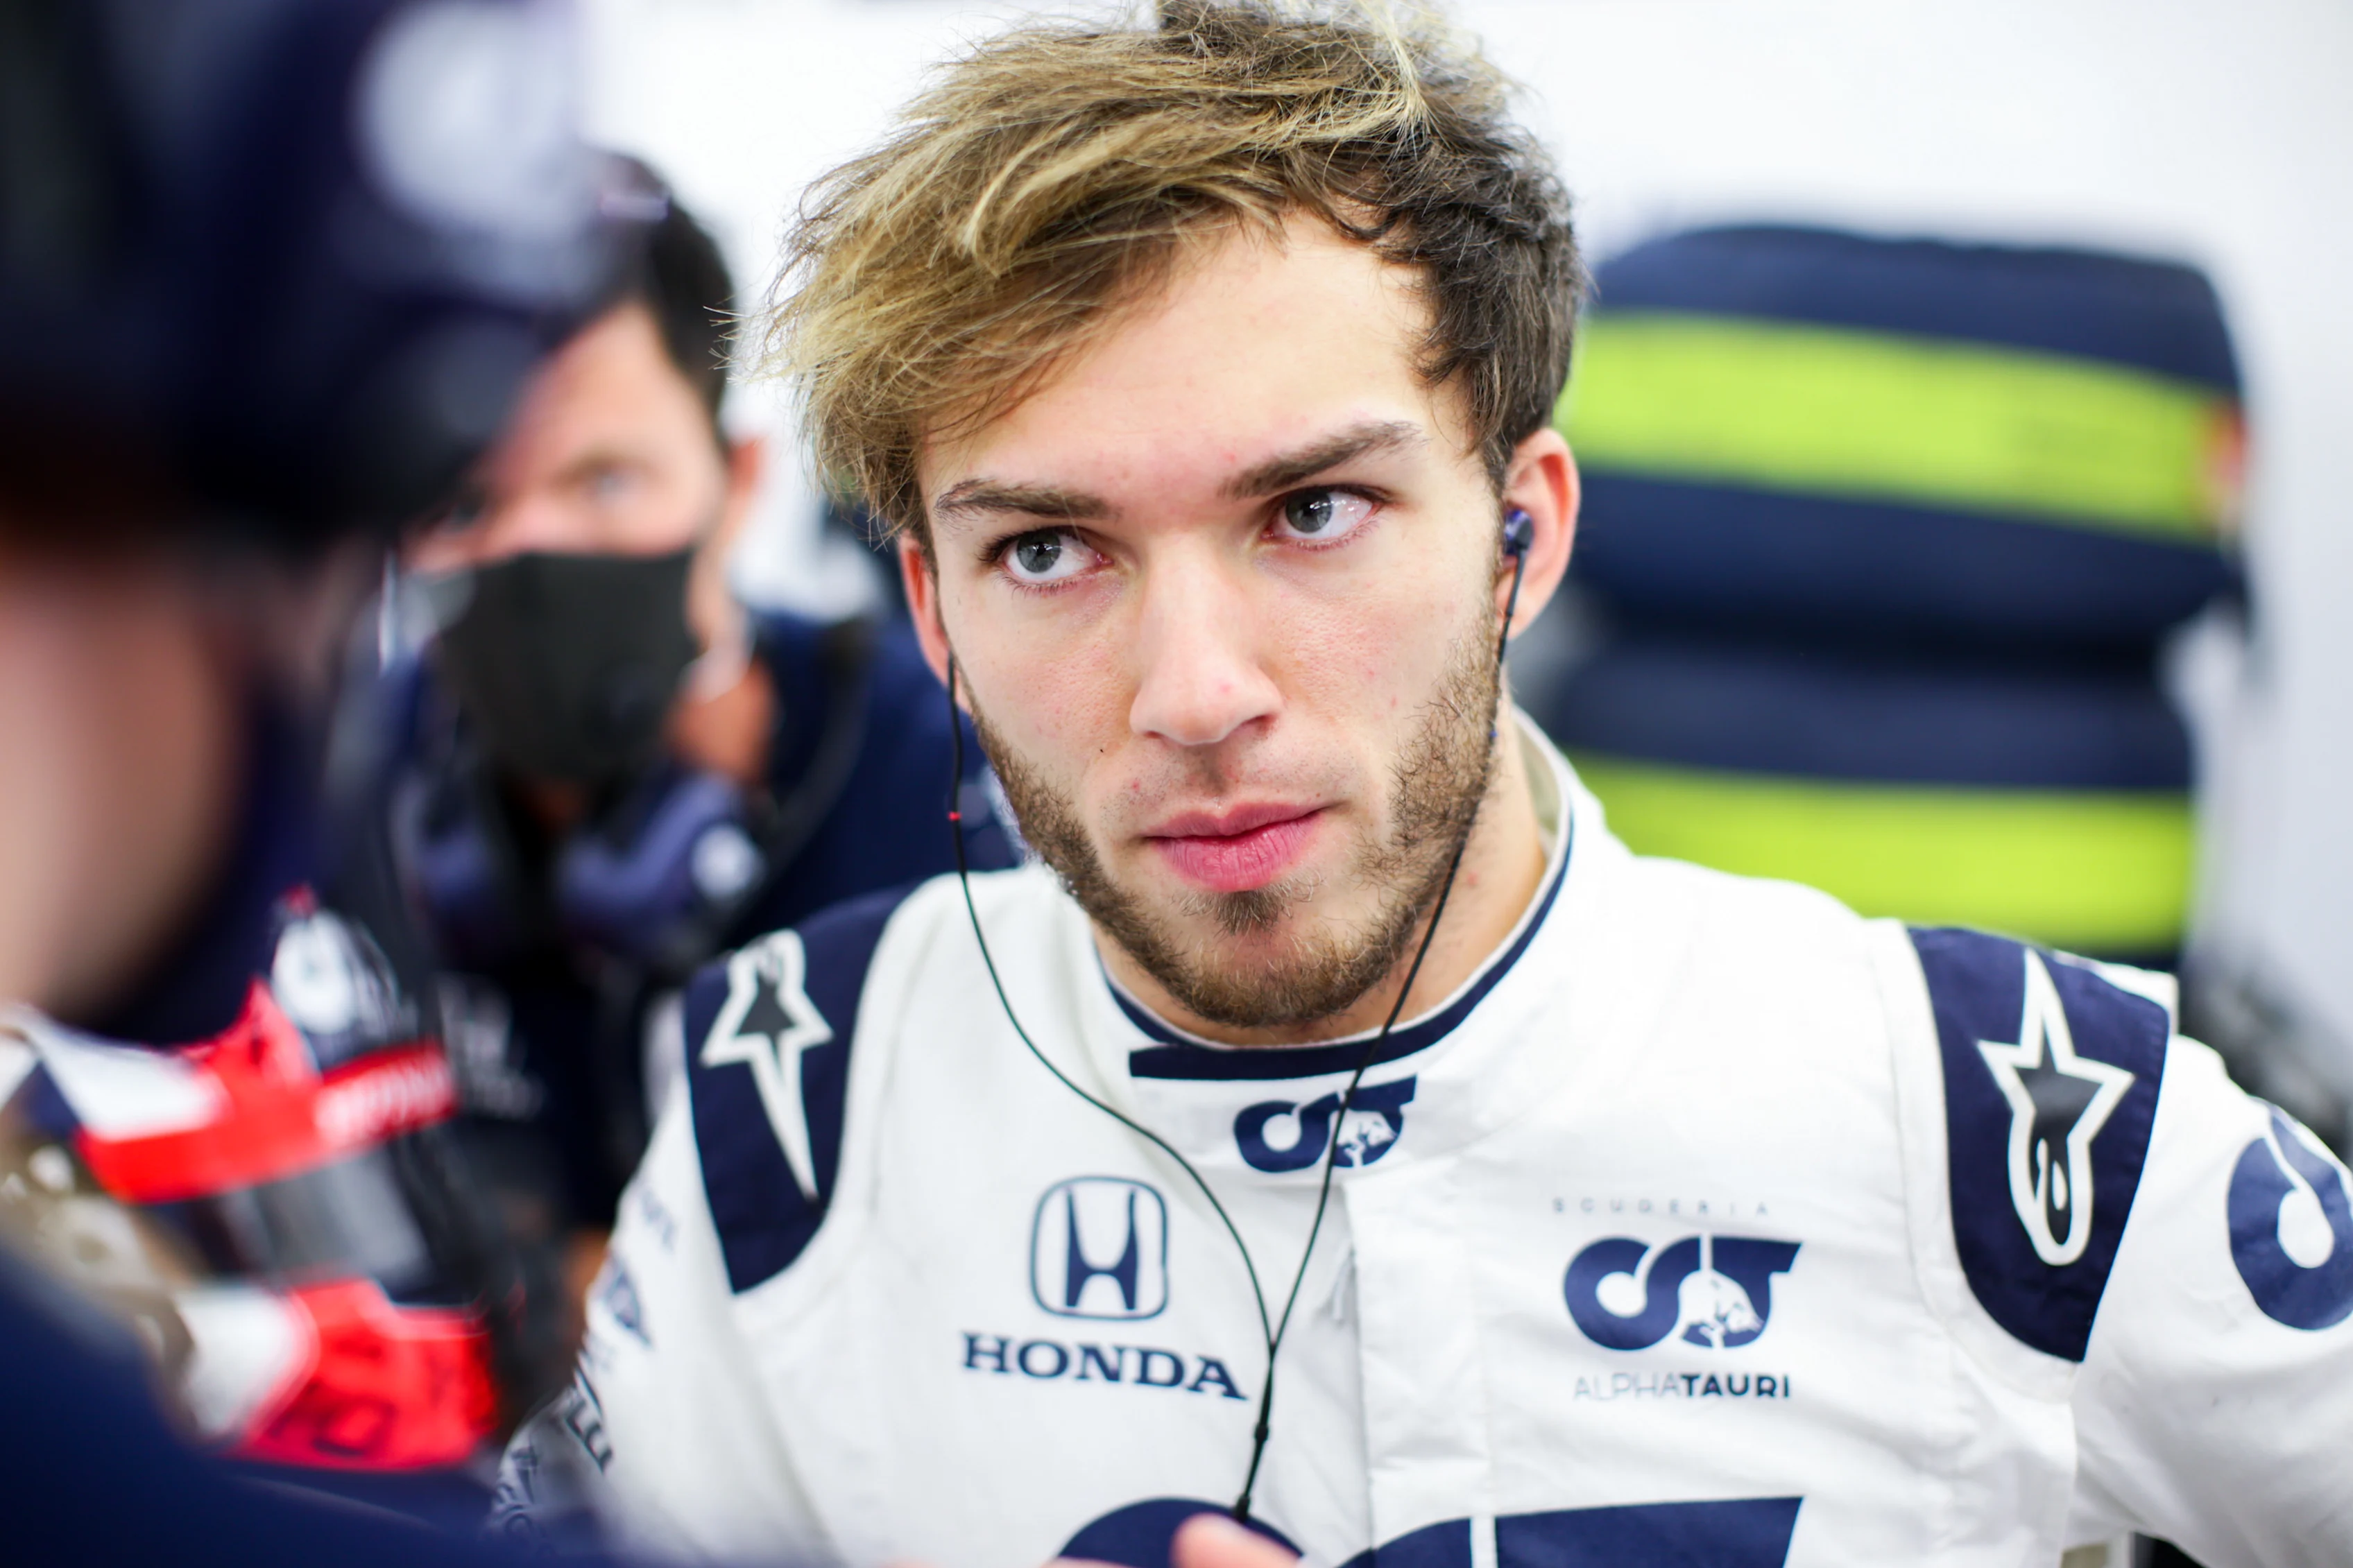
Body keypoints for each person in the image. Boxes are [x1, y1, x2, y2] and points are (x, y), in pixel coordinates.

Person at [495, 5, 2353, 1567]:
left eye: (1315, 511)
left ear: (1519, 536)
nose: (1196, 694)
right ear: (933, 611)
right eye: (1052, 549)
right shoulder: (795, 1098)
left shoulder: (1986, 1112)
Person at [363, 174, 1017, 1291]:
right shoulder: (352, 776)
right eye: (463, 504)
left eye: (605, 479)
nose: (531, 545)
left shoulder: (936, 786)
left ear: (738, 483)